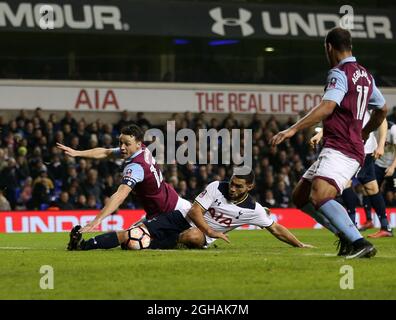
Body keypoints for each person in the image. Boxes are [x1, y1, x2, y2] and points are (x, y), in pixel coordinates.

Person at [270, 27, 388, 259]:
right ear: (350, 46)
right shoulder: (365, 75)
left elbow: (327, 106)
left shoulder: (339, 72)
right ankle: (346, 237)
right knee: (300, 197)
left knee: (320, 196)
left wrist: (293, 129)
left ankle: (358, 242)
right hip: (346, 146)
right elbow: (383, 108)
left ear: (329, 47)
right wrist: (364, 131)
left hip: (341, 147)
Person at [67, 168, 313, 251]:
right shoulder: (218, 186)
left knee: (194, 236)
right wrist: (213, 231)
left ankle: (146, 243)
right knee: (132, 233)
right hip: (182, 217)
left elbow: (277, 229)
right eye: (233, 183)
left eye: (239, 186)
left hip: (199, 234)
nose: (233, 188)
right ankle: (84, 245)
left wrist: (299, 245)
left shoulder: (254, 210)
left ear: (250, 186)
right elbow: (195, 211)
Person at [57, 124, 191, 234]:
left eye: (126, 144)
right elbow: (106, 152)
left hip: (169, 214)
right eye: (120, 142)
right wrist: (77, 153)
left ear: (138, 143)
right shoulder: (142, 150)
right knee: (130, 235)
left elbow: (120, 195)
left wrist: (96, 221)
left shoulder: (136, 167)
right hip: (173, 204)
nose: (122, 147)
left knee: (131, 240)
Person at [310, 114, 393, 238]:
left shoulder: (367, 95)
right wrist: (320, 133)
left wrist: (381, 145)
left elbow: (382, 120)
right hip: (349, 148)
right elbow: (338, 121)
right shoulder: (342, 98)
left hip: (362, 150)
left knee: (348, 184)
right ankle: (385, 227)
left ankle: (352, 226)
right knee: (371, 187)